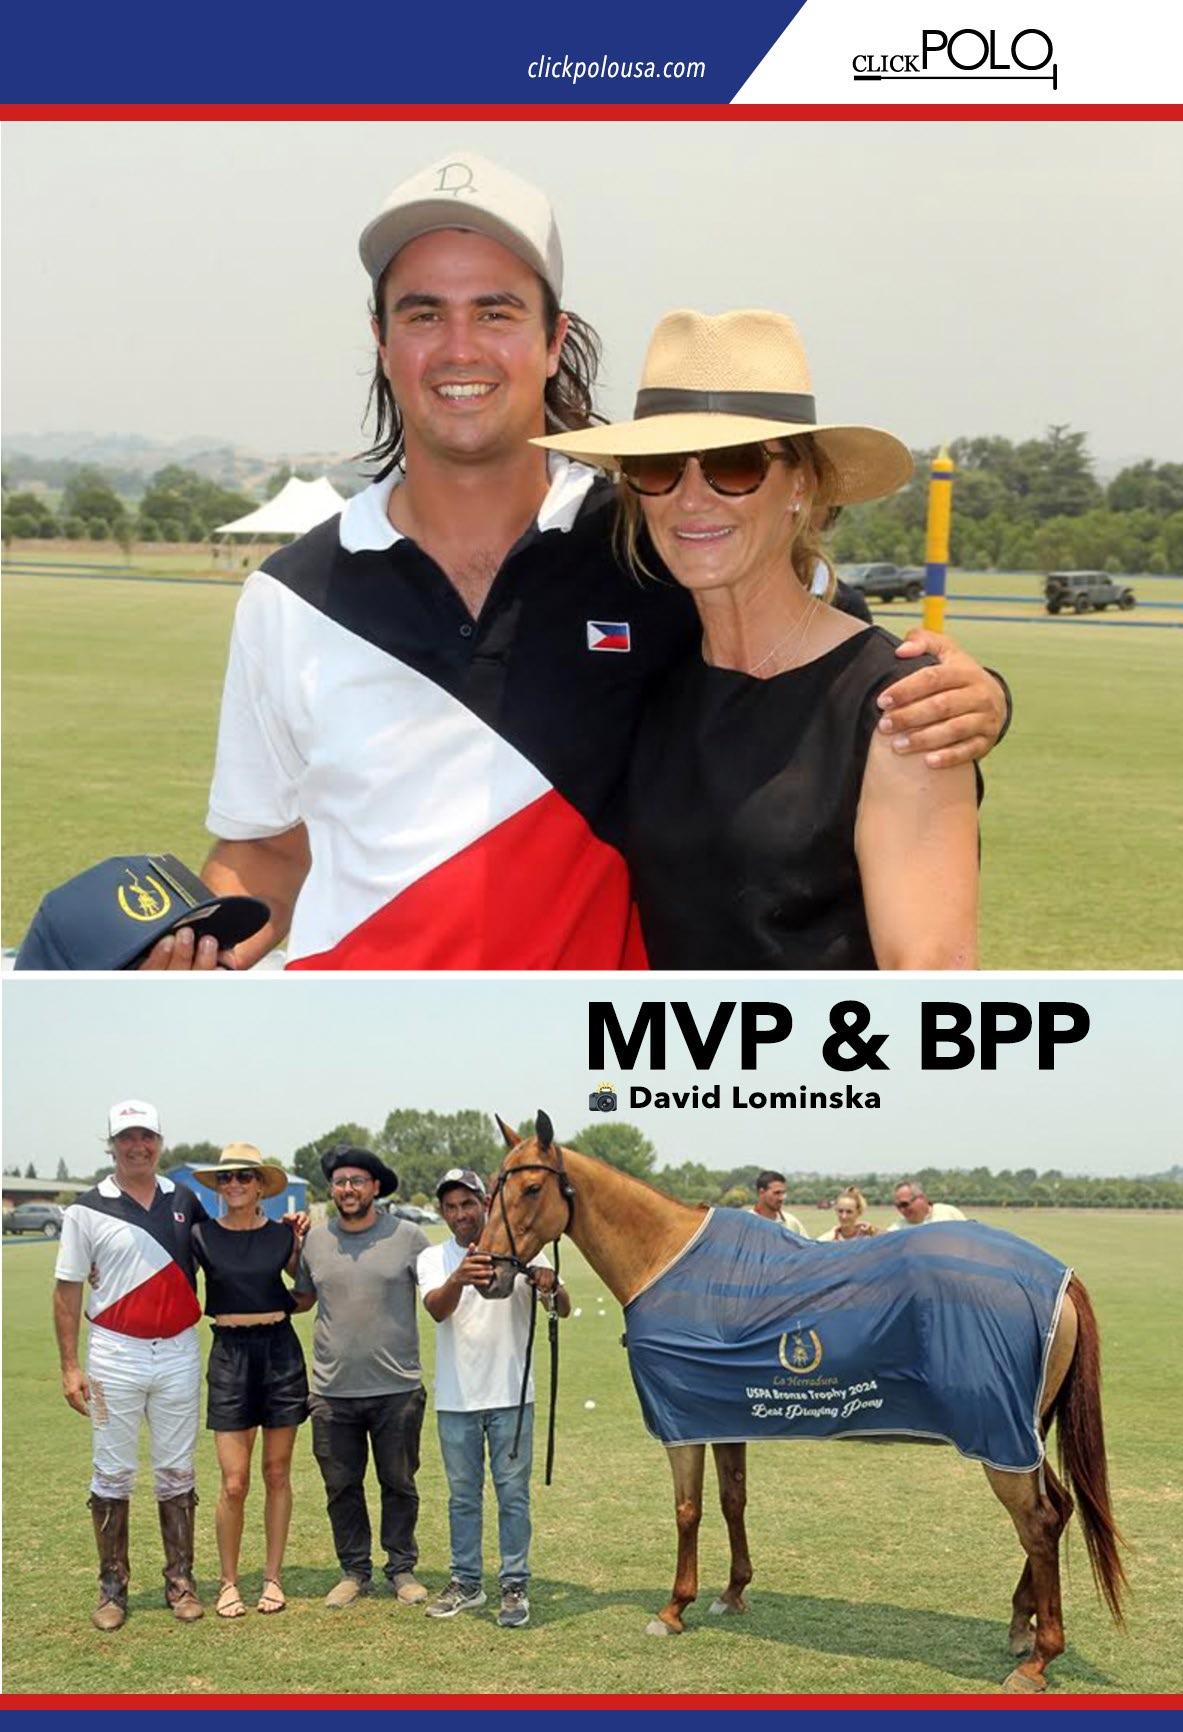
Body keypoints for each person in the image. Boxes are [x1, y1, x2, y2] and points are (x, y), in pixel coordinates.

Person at [159, 151, 1008, 972]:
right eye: (423, 315)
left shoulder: (656, 546)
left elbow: (839, 674)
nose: (460, 348)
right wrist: (197, 951)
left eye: (495, 312)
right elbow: (266, 847)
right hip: (359, 1032)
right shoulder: (288, 596)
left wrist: (983, 698)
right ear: (381, 340)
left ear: (553, 338)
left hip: (587, 1045)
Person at [538, 307, 980, 970]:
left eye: (733, 464)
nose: (692, 497)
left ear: (801, 484)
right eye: (659, 467)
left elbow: (931, 978)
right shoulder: (653, 681)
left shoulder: (898, 706)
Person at [52, 1100, 207, 1630]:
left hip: (179, 1351)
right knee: (112, 1471)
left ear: (160, 1142)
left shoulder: (184, 1198)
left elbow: (222, 1250)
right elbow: (67, 1290)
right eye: (126, 1137)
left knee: (177, 1469)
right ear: (112, 1144)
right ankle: (112, 1590)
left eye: (147, 1136)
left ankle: (180, 1582)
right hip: (113, 1355)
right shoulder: (85, 1209)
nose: (137, 1146)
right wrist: (70, 1366)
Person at [417, 1167, 570, 1628]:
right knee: (462, 1498)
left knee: (513, 1497)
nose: (460, 1214)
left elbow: (563, 1308)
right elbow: (436, 1310)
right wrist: (459, 1278)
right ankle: (467, 1582)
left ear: (486, 1204)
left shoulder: (521, 1249)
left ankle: (514, 1585)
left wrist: (551, 1285)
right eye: (450, 1206)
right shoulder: (433, 1257)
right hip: (456, 1399)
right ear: (443, 1212)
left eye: (468, 1203)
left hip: (512, 1397)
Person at [291, 1143, 429, 1608]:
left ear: (375, 1187)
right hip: (332, 1391)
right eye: (340, 1182)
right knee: (341, 1487)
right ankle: (354, 1571)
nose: (347, 1189)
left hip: (397, 1388)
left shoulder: (409, 1237)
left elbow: (439, 1292)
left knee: (399, 1483)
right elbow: (302, 1297)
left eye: (356, 1181)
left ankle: (402, 1568)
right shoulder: (315, 1240)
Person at [189, 1144, 310, 1618]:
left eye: (244, 1176)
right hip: (229, 1357)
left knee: (277, 1473)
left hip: (280, 1354)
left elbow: (307, 1289)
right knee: (234, 1482)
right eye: (226, 1178)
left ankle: (273, 1578)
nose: (234, 1184)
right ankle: (228, 1583)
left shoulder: (284, 1235)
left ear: (261, 1185)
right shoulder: (200, 1235)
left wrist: (301, 1245)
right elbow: (170, 1277)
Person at [886, 1179, 967, 1229]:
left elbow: (969, 1235)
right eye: (898, 1206)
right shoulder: (898, 1229)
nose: (902, 1210)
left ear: (921, 1198)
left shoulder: (949, 1213)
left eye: (904, 1204)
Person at [748, 1171, 807, 1236]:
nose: (781, 1198)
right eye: (777, 1193)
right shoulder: (746, 1223)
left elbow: (806, 1242)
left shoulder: (791, 1223)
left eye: (783, 1193)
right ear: (761, 1193)